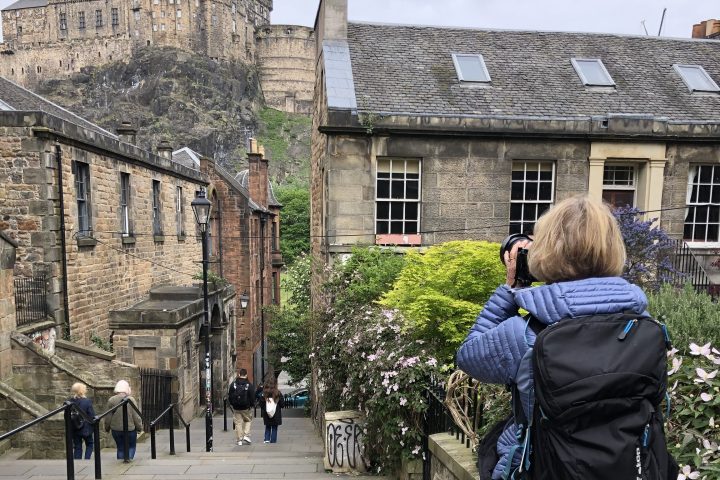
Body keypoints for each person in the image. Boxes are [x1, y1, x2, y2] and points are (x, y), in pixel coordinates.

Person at [456, 195, 647, 479]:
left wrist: (511, 288)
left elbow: (468, 356)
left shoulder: (528, 334)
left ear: (546, 251)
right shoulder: (644, 325)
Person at [104, 380, 143, 461]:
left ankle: (120, 463)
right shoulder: (131, 400)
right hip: (130, 429)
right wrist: (139, 428)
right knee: (131, 446)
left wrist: (107, 428)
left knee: (120, 448)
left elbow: (108, 417)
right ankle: (128, 460)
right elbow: (136, 416)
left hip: (116, 429)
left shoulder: (111, 400)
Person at [228, 368, 255, 446]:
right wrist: (251, 405)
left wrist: (232, 404)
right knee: (248, 420)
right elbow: (252, 397)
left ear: (239, 375)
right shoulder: (249, 385)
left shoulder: (233, 384)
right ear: (246, 375)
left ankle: (239, 440)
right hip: (246, 407)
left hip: (236, 407)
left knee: (238, 423)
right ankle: (246, 435)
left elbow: (230, 395)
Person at [69, 382, 95, 460]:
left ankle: (77, 462)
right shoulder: (87, 401)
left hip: (75, 427)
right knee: (90, 444)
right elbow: (91, 415)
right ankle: (86, 460)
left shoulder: (70, 401)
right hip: (85, 427)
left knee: (77, 446)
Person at [260, 378, 284, 444]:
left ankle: (266, 439)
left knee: (267, 426)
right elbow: (282, 404)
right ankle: (273, 441)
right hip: (276, 414)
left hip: (267, 413)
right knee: (274, 427)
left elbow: (261, 404)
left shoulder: (264, 393)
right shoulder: (278, 393)